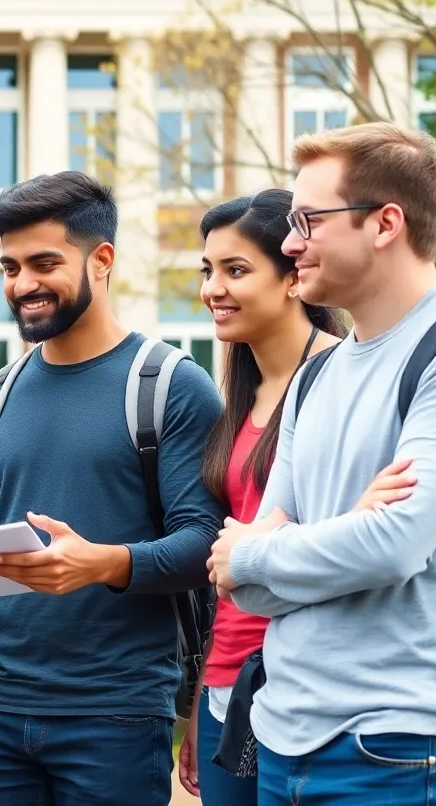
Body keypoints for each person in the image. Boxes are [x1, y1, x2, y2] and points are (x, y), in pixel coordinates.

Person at [0, 171, 224, 805]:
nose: (22, 285)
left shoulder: (170, 385)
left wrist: (102, 563)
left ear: (102, 260)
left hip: (116, 715)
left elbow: (205, 544)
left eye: (44, 264)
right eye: (10, 268)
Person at [208, 122, 436, 805]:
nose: (290, 244)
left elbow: (393, 546)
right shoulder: (313, 377)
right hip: (280, 740)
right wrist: (343, 533)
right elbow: (244, 590)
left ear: (386, 224)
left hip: (394, 748)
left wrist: (259, 550)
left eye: (309, 221)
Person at [175, 190, 346, 804]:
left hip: (306, 685)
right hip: (229, 682)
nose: (212, 289)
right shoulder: (239, 395)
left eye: (236, 269)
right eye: (208, 270)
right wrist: (203, 695)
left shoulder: (342, 379)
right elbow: (225, 566)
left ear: (293, 276)